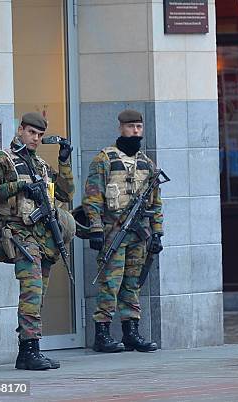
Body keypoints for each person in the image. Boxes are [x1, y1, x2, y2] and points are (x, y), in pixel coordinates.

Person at [0, 112, 75, 370]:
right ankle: (28, 351)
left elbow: (66, 192)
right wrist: (19, 187)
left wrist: (65, 161)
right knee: (31, 291)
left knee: (39, 293)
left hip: (42, 236)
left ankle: (31, 349)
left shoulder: (41, 165)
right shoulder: (3, 159)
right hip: (18, 234)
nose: (35, 138)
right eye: (31, 132)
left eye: (40, 135)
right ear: (20, 129)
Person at [83, 109, 163, 353]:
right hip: (113, 232)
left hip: (139, 235)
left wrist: (157, 232)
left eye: (139, 127)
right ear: (121, 128)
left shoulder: (147, 164)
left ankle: (131, 332)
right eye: (131, 127)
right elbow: (93, 197)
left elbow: (156, 202)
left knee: (132, 284)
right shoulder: (105, 159)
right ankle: (102, 333)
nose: (135, 131)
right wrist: (95, 228)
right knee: (110, 283)